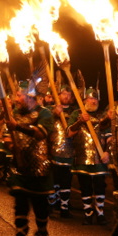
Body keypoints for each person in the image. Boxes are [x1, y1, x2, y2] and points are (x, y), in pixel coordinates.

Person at [4, 80, 55, 236]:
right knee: (20, 206)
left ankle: (42, 234)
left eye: (19, 95)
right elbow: (7, 137)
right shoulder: (15, 114)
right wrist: (11, 145)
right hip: (20, 168)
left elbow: (40, 134)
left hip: (40, 169)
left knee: (41, 206)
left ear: (29, 96)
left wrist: (17, 127)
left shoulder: (45, 114)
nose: (16, 99)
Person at [68, 87, 112, 225]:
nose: (93, 101)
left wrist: (108, 152)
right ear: (84, 100)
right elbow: (69, 133)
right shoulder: (76, 114)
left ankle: (100, 213)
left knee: (100, 186)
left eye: (95, 99)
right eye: (90, 98)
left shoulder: (102, 116)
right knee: (85, 186)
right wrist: (80, 121)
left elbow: (110, 136)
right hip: (82, 156)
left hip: (99, 158)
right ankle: (88, 213)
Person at [47, 85, 76, 218]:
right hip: (54, 150)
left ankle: (64, 207)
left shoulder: (74, 111)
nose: (66, 96)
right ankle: (52, 205)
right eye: (63, 93)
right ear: (58, 95)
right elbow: (46, 125)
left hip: (70, 151)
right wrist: (54, 113)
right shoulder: (49, 110)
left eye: (69, 94)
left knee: (66, 181)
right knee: (54, 179)